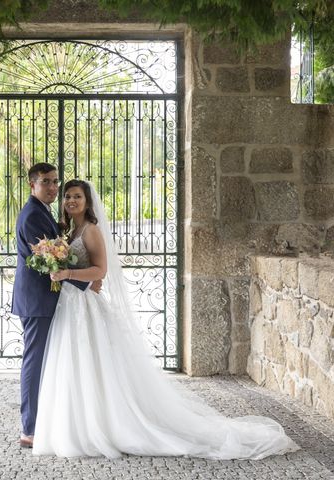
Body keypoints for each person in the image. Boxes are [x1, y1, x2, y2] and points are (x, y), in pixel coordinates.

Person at [32, 179, 300, 459]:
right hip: (71, 304)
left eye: (77, 196)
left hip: (85, 305)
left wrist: (67, 274)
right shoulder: (69, 230)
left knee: (91, 363)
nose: (71, 201)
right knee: (74, 364)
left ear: (87, 201)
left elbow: (101, 271)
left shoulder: (91, 230)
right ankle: (79, 426)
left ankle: (104, 427)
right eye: (68, 197)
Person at [12, 163, 102, 448]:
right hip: (38, 301)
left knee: (51, 362)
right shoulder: (32, 217)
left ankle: (50, 421)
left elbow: (58, 257)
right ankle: (30, 429)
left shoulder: (45, 214)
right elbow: (50, 263)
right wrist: (87, 282)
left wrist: (88, 279)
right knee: (35, 363)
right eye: (46, 182)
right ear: (32, 185)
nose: (53, 187)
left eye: (55, 182)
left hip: (51, 300)